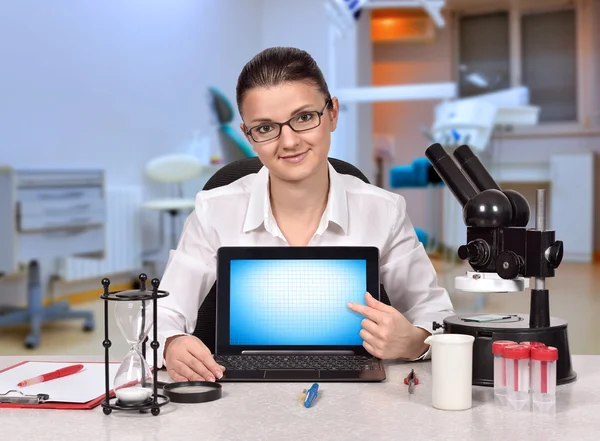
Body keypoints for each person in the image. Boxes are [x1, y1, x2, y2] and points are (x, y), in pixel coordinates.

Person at [155, 46, 454, 383]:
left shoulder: (383, 210)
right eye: (266, 128)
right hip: (240, 398)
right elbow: (162, 312)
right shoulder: (215, 210)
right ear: (248, 136)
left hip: (357, 400)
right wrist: (170, 342)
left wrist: (414, 341)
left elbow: (435, 313)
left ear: (332, 114)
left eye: (303, 118)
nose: (289, 142)